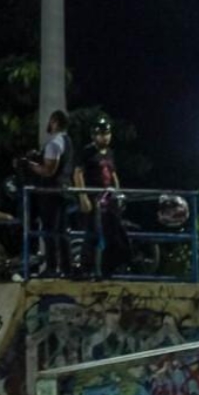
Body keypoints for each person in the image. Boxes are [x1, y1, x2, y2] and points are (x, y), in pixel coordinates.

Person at [73, 117, 129, 277]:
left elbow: (113, 173)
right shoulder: (87, 151)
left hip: (109, 199)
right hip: (94, 197)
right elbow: (78, 173)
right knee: (92, 232)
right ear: (94, 136)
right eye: (101, 134)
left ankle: (108, 268)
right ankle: (86, 269)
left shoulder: (110, 153)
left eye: (107, 133)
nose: (104, 137)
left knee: (112, 232)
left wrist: (119, 194)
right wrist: (82, 196)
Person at [25, 110, 76, 277]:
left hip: (51, 192)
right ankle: (67, 269)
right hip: (63, 190)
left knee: (49, 230)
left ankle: (52, 268)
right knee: (61, 231)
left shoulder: (54, 143)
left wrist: (30, 165)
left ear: (54, 121)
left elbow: (48, 171)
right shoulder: (67, 141)